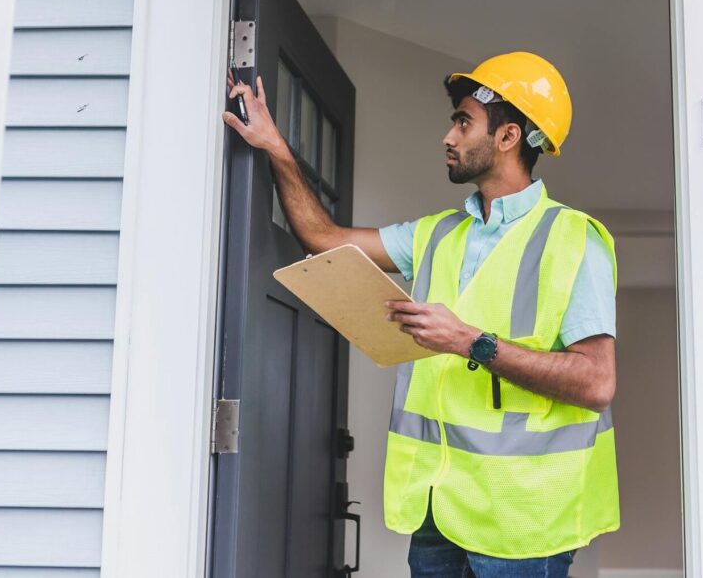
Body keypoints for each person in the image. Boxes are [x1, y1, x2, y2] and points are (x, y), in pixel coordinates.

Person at [222, 52, 619, 578]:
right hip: (438, 509)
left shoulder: (574, 240)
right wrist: (276, 147)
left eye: (463, 122)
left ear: (508, 137)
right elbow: (324, 239)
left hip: (524, 521)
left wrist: (471, 341)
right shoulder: (436, 234)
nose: (447, 137)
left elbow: (596, 382)